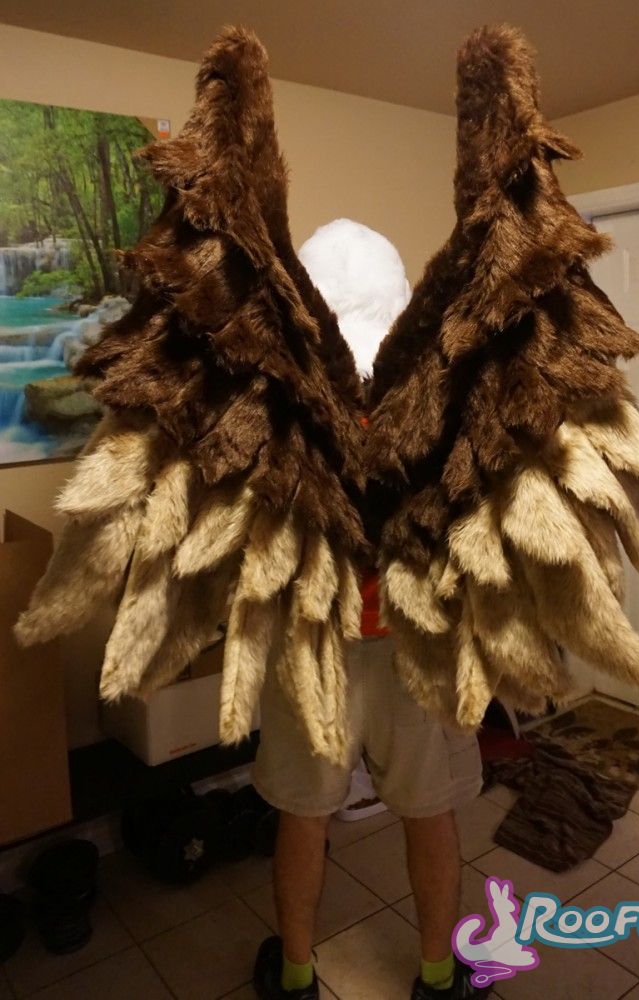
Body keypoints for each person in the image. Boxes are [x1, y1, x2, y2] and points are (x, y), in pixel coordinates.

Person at [251, 220, 488, 1000]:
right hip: (410, 642)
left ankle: (294, 977)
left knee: (304, 815)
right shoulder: (435, 401)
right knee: (428, 813)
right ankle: (437, 978)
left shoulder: (278, 401)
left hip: (313, 641)